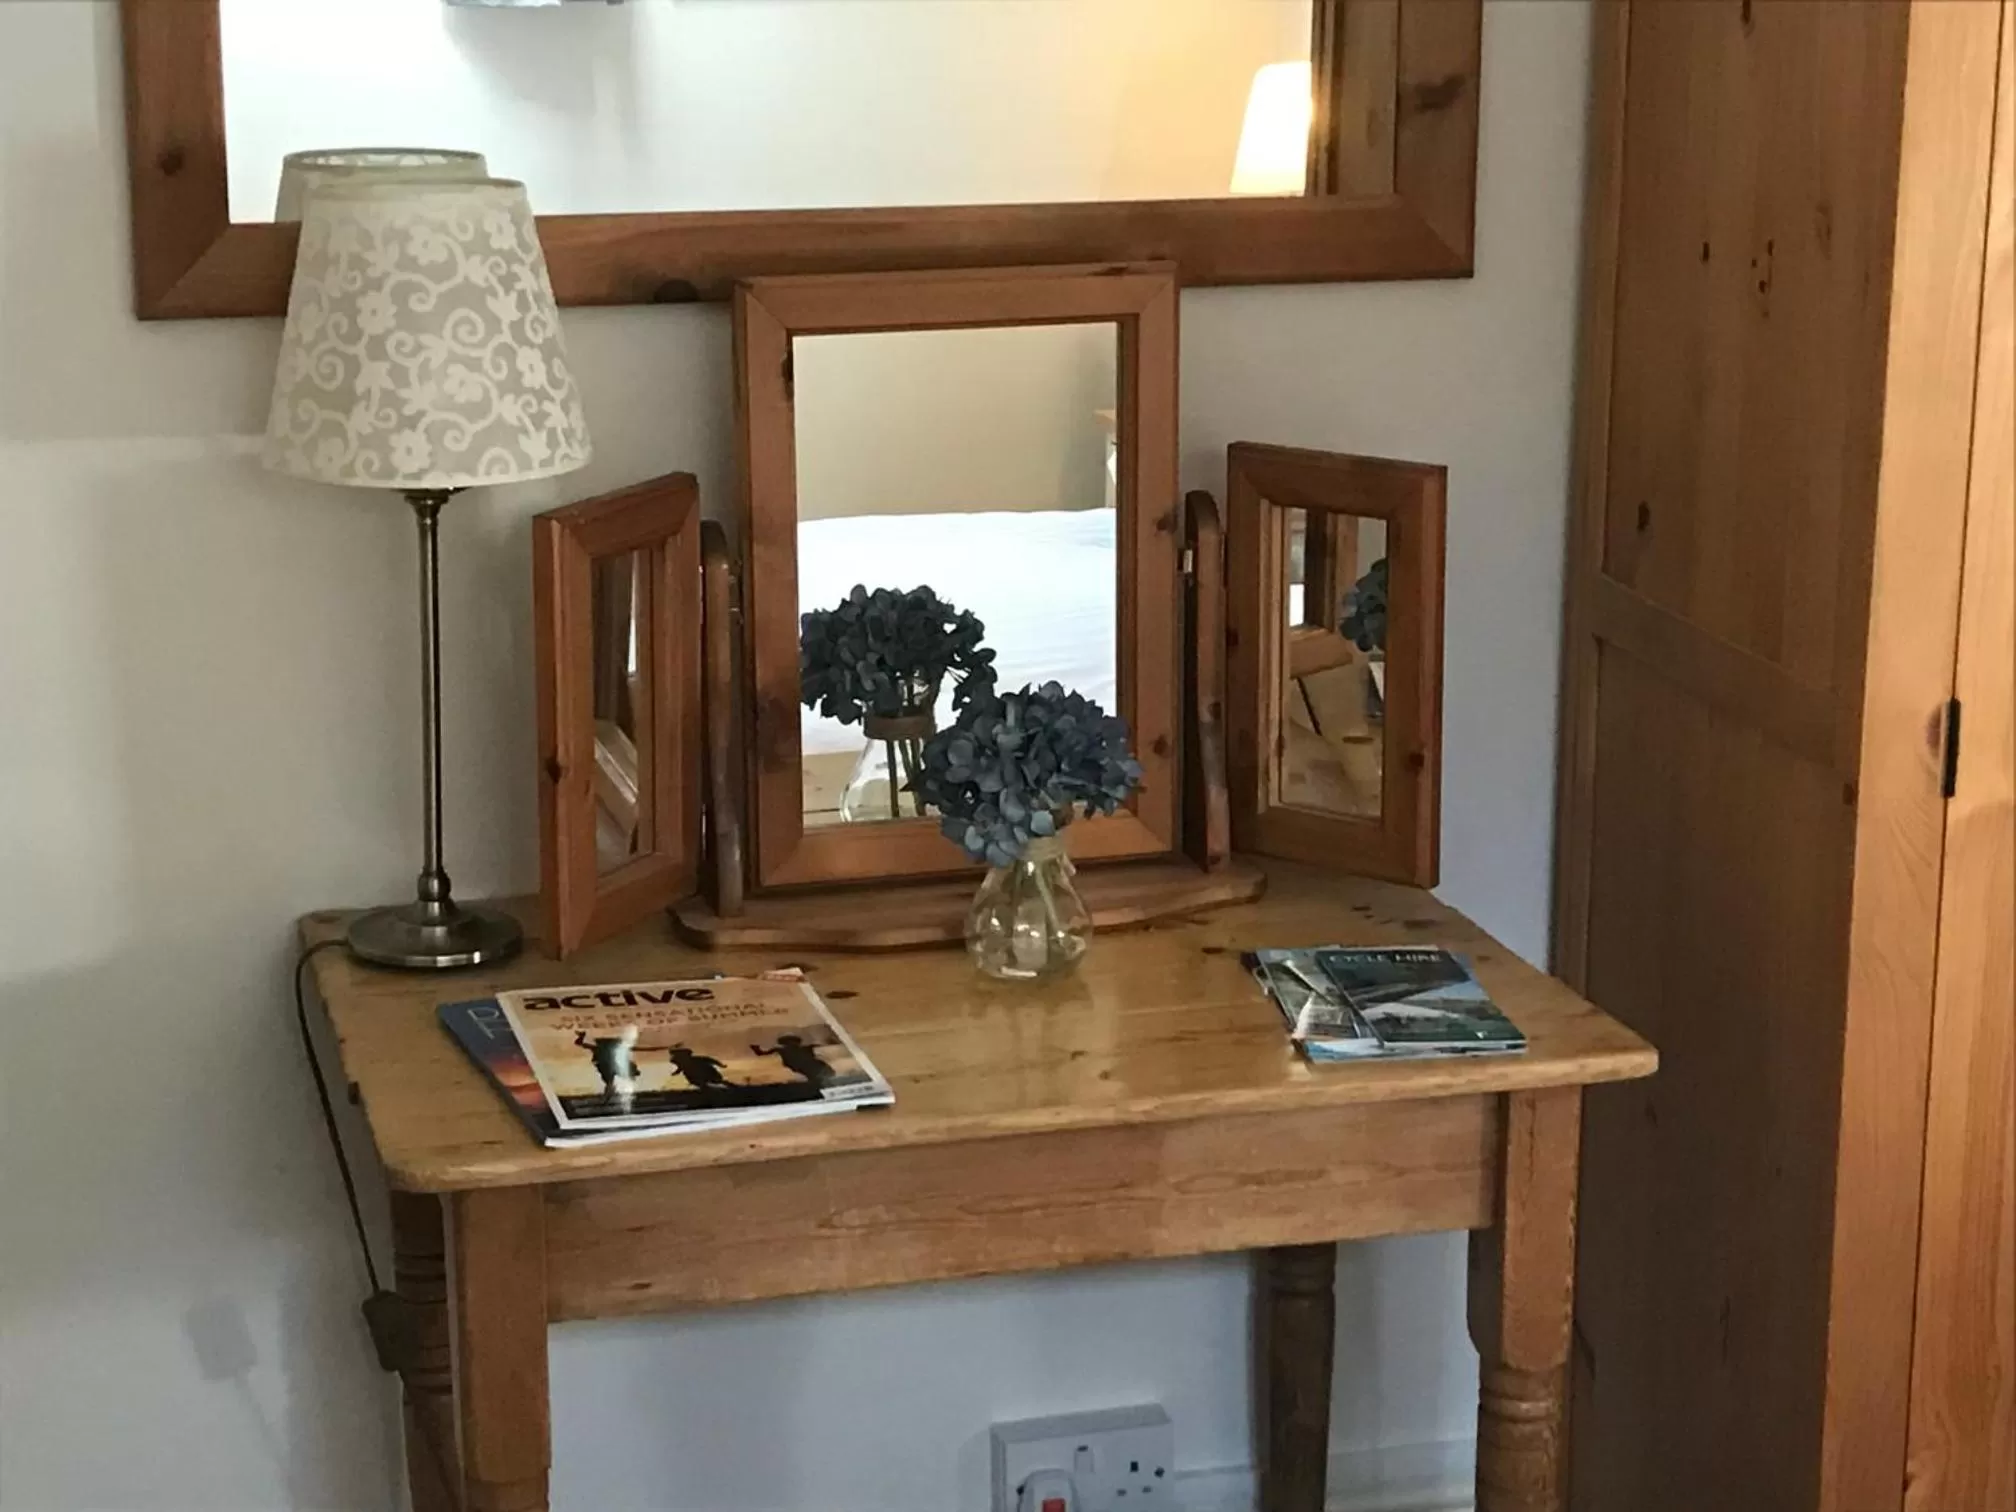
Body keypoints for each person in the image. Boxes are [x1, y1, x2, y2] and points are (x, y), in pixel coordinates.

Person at [573, 1027, 640, 1108]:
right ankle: (606, 1099)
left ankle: (606, 1099)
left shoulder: (609, 1058)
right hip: (606, 1062)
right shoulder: (609, 1058)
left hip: (607, 1061)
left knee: (610, 1082)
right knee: (610, 1082)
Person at [750, 1032, 834, 1087]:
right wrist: (755, 1048)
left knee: (819, 1076)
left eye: (792, 1041)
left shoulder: (805, 1048)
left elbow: (820, 1046)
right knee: (816, 1077)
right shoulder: (782, 1050)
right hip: (805, 1067)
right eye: (789, 1042)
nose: (791, 1043)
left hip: (811, 1066)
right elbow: (762, 1053)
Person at [667, 1043, 731, 1091]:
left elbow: (710, 1060)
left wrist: (721, 1065)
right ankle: (706, 1090)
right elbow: (680, 1069)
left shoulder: (695, 1059)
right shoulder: (683, 1063)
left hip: (709, 1073)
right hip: (698, 1077)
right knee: (700, 1083)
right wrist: (675, 1073)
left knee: (717, 1081)